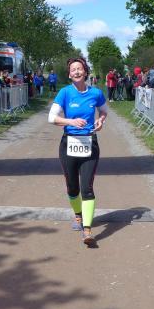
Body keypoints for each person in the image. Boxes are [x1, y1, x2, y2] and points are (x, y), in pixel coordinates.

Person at [48, 57, 108, 247]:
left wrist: (100, 121)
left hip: (90, 143)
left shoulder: (96, 93)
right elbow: (51, 117)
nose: (76, 72)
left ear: (85, 72)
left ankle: (87, 230)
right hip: (69, 144)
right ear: (69, 74)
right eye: (73, 69)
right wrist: (70, 122)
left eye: (79, 69)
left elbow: (104, 111)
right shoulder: (65, 93)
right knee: (73, 188)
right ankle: (78, 215)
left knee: (87, 188)